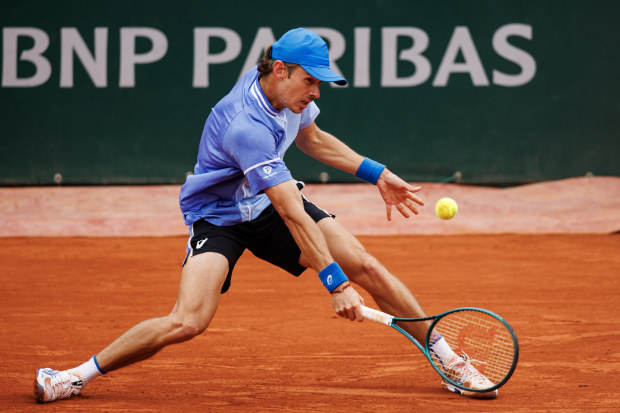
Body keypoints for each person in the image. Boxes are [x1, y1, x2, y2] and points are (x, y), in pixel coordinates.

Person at [34, 28, 497, 403]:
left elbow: (311, 139)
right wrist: (335, 285)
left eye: (319, 83)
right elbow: (292, 214)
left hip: (265, 205)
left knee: (369, 266)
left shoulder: (284, 94)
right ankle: (76, 376)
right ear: (280, 70)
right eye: (309, 82)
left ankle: (447, 359)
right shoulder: (246, 126)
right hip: (219, 216)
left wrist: (376, 173)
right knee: (188, 321)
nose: (315, 93)